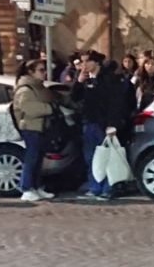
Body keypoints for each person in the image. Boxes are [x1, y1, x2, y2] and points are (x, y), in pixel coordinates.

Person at [70, 51, 126, 201]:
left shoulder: (109, 79)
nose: (84, 65)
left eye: (87, 61)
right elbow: (74, 98)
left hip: (104, 124)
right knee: (91, 158)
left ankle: (108, 188)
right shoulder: (84, 79)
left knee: (107, 156)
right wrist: (79, 82)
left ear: (96, 63)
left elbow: (116, 104)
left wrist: (112, 124)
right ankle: (95, 187)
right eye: (82, 62)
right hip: (88, 123)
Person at [12, 59, 59, 202]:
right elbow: (29, 108)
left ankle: (36, 186)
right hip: (31, 127)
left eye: (44, 70)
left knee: (38, 159)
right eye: (41, 70)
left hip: (42, 126)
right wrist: (50, 109)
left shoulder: (40, 87)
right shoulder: (25, 89)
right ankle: (26, 188)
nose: (44, 73)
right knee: (31, 158)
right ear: (30, 72)